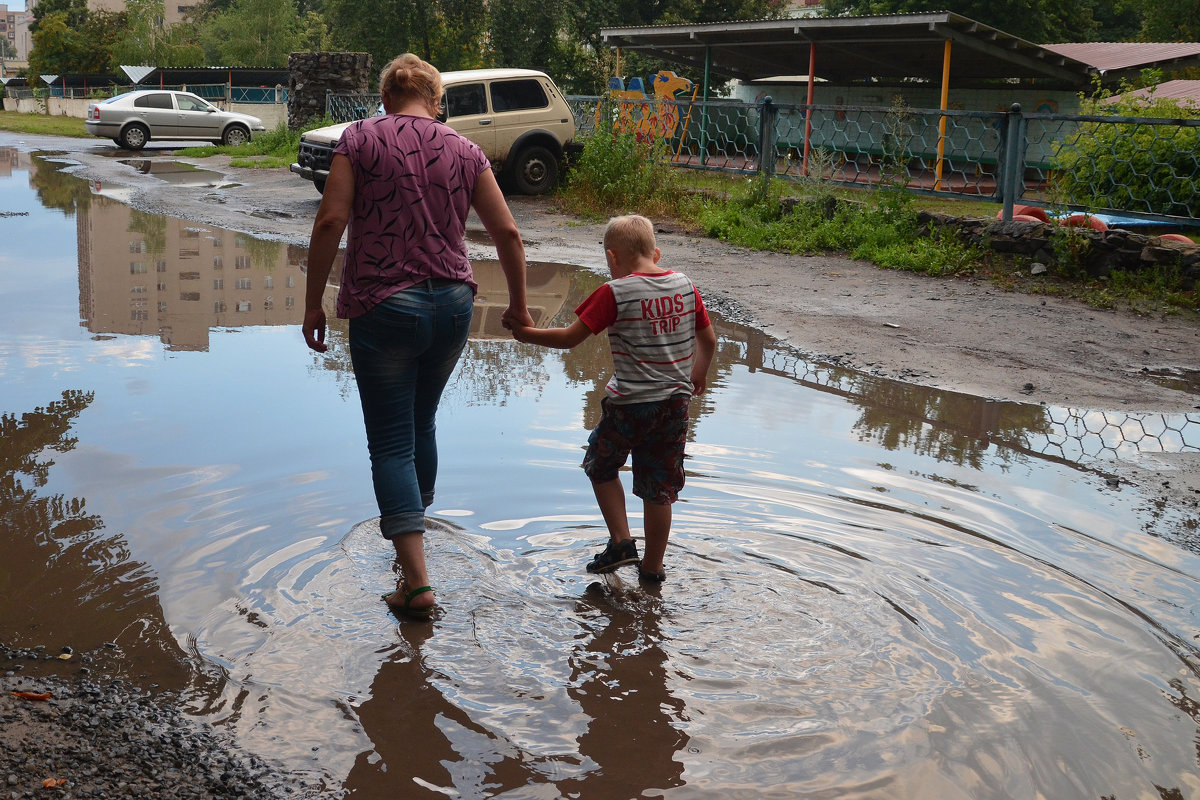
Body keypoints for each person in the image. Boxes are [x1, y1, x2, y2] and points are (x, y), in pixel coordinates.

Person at [302, 53, 533, 619]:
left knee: (389, 441)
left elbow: (331, 220)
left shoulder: (358, 140)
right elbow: (507, 231)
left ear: (386, 99)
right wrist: (520, 308)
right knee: (421, 422)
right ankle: (414, 535)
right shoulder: (465, 149)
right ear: (436, 101)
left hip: (384, 305)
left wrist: (312, 301)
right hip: (453, 304)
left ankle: (416, 583)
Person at [510, 214, 716, 582]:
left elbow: (571, 338)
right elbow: (710, 340)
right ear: (656, 251)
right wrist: (698, 373)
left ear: (612, 257)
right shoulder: (685, 286)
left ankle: (621, 542)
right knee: (660, 490)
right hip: (674, 407)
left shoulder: (615, 292)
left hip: (629, 407)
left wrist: (528, 334)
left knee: (600, 466)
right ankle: (652, 570)